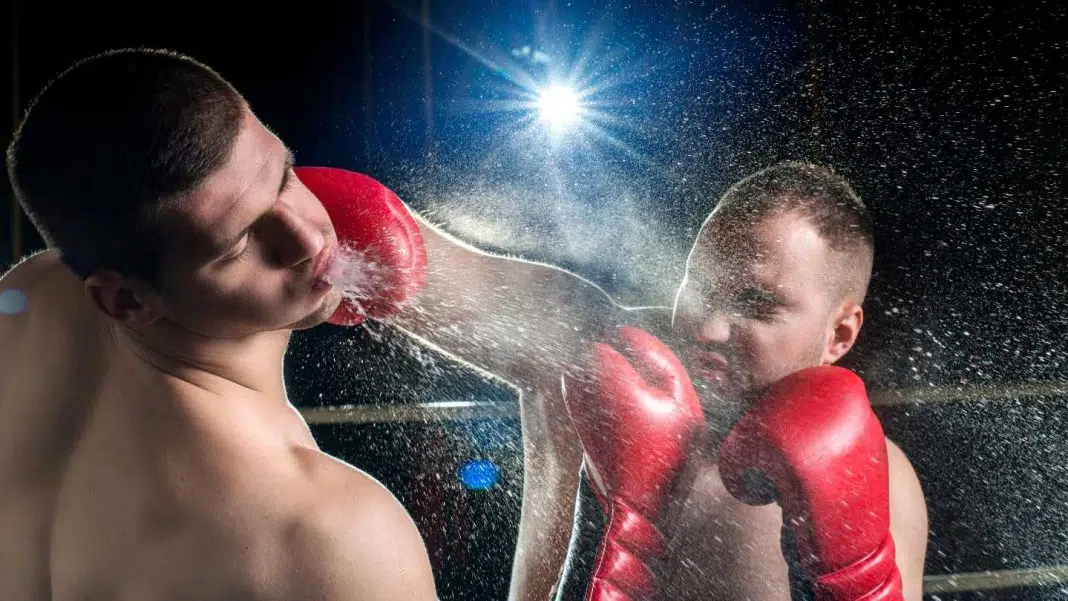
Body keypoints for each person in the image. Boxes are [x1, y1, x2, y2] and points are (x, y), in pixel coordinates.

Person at [377, 160, 930, 600]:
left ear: (840, 333)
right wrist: (296, 202)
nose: (709, 328)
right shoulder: (591, 348)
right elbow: (406, 265)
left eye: (757, 305)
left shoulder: (879, 481)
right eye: (702, 285)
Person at [0, 48, 437, 600]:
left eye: (285, 177)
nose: (308, 240)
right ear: (125, 301)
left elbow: (558, 329)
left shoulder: (22, 298)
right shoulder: (328, 535)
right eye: (238, 244)